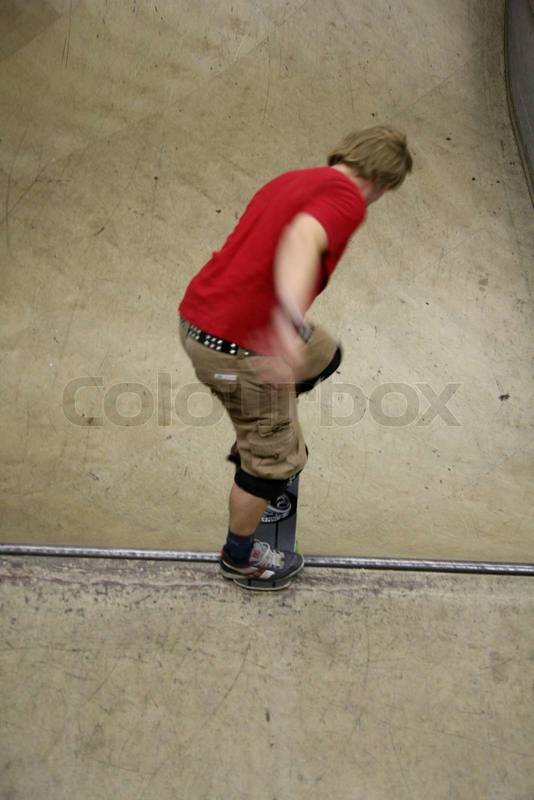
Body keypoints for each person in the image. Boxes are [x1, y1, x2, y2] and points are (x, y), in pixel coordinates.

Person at [178, 125, 412, 590]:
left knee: (323, 353)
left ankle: (259, 425)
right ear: (382, 182)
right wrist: (284, 324)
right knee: (276, 463)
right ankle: (239, 556)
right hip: (238, 348)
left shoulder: (293, 180)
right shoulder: (348, 199)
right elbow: (303, 238)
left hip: (201, 316)